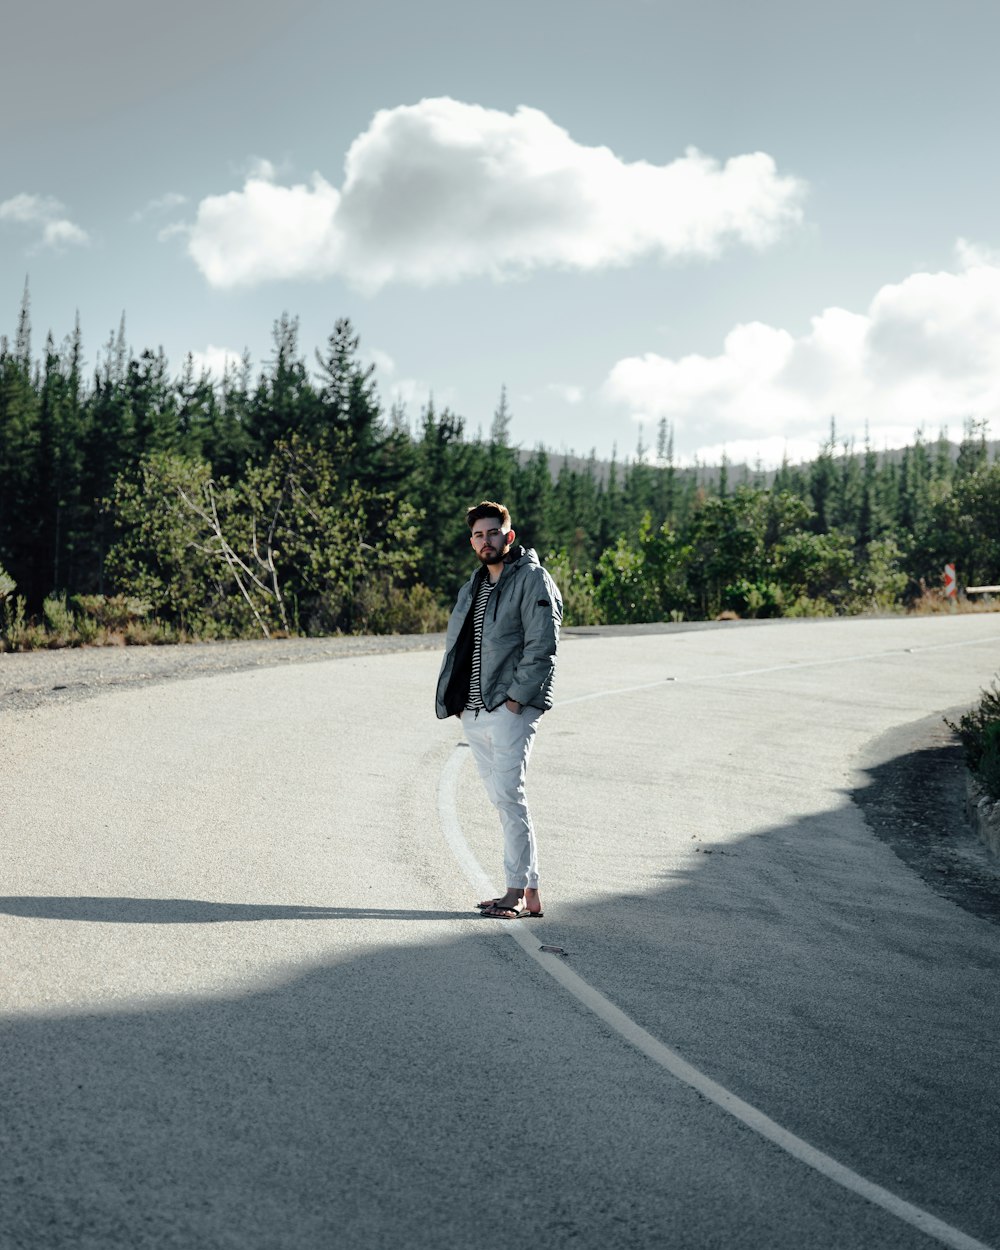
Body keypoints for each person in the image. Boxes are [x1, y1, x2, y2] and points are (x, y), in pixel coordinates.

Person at [436, 500, 563, 919]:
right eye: (478, 534)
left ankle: (513, 893)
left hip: (510, 709)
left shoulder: (532, 580)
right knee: (504, 801)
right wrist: (459, 703)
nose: (486, 540)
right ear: (471, 541)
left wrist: (515, 700)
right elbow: (460, 649)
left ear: (508, 536)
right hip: (473, 710)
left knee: (510, 796)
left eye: (493, 532)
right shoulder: (472, 586)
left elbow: (542, 646)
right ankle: (530, 892)